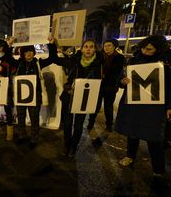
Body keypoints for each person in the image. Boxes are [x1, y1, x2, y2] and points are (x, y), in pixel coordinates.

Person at [115, 35, 171, 184]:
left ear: (158, 50)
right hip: (134, 104)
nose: (145, 51)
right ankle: (130, 156)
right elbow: (120, 81)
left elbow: (169, 88)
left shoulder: (164, 65)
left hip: (154, 108)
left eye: (149, 49)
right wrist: (123, 81)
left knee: (154, 138)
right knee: (132, 132)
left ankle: (158, 170)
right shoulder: (132, 61)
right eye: (143, 48)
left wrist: (169, 106)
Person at [57, 39, 103, 158]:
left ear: (95, 49)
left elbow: (102, 83)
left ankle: (73, 147)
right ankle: (66, 146)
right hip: (69, 97)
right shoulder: (74, 61)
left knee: (78, 126)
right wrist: (52, 44)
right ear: (81, 49)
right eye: (86, 46)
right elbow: (56, 61)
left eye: (91, 47)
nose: (88, 49)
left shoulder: (99, 65)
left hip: (85, 100)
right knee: (67, 124)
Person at [15, 37, 57, 148]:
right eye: (26, 51)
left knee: (34, 118)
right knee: (21, 116)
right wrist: (10, 45)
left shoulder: (38, 63)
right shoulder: (19, 63)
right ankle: (22, 135)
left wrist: (51, 44)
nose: (28, 53)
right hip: (21, 95)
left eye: (30, 51)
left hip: (35, 95)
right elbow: (8, 59)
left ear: (33, 52)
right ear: (22, 53)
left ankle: (34, 138)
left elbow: (52, 58)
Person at [87, 39, 125, 131]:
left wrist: (104, 75)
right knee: (95, 105)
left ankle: (109, 125)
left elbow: (116, 72)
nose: (106, 47)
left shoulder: (119, 57)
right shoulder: (99, 56)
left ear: (114, 47)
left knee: (108, 106)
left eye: (109, 45)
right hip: (98, 85)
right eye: (105, 45)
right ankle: (90, 123)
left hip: (111, 86)